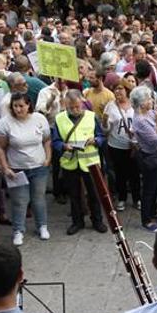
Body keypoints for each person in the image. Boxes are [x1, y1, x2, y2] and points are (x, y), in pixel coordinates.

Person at [0, 92, 52, 245]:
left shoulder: (39, 119)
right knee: (19, 201)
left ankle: (42, 226)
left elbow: (46, 140)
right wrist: (5, 167)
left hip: (39, 166)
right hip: (17, 169)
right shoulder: (5, 123)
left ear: (28, 105)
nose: (18, 109)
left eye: (21, 106)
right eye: (15, 106)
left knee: (39, 198)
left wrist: (48, 158)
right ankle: (18, 230)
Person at [50, 90, 108, 236]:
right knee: (74, 195)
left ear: (82, 103)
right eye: (72, 107)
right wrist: (63, 146)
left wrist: (96, 141)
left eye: (78, 106)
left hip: (90, 161)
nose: (76, 110)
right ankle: (77, 222)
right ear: (66, 105)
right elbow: (55, 141)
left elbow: (101, 136)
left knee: (94, 193)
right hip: (70, 161)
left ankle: (97, 220)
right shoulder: (59, 119)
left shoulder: (91, 116)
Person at [131, 86, 157, 232]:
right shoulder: (140, 120)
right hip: (149, 157)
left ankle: (152, 213)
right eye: (148, 99)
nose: (151, 101)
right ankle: (146, 220)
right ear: (141, 103)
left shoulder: (149, 113)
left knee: (155, 186)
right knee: (149, 189)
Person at [102, 78, 139, 212]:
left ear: (127, 90)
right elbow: (105, 130)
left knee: (135, 173)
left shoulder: (135, 104)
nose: (118, 91)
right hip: (116, 146)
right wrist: (105, 122)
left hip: (133, 146)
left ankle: (137, 198)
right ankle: (122, 198)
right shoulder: (110, 106)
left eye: (121, 88)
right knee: (120, 174)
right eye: (116, 89)